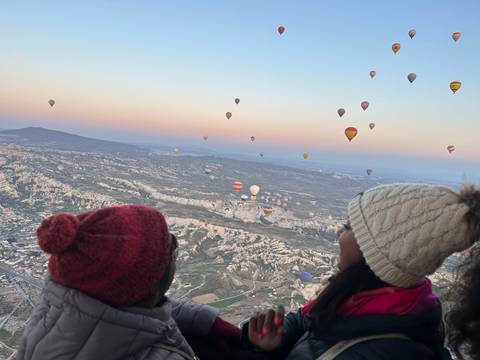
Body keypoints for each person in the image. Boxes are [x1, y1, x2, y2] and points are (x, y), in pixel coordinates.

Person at [243, 183, 480, 359]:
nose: (338, 232)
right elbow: (312, 325)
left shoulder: (381, 351)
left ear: (372, 254)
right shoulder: (372, 305)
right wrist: (277, 338)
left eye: (348, 227)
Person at [14, 205, 242, 360]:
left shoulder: (56, 314)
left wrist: (208, 323)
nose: (174, 255)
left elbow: (125, 319)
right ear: (148, 283)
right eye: (169, 251)